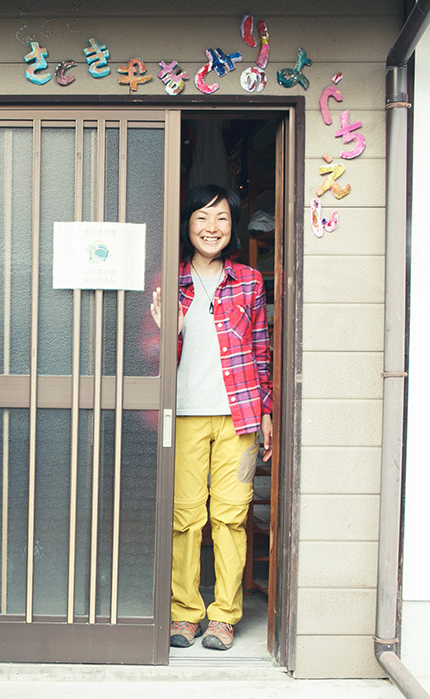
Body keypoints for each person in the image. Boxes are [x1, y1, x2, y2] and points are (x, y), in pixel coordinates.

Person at [150, 184, 272, 651]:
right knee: (184, 517)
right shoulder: (168, 281)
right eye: (202, 217)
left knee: (231, 517)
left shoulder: (249, 280)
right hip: (183, 415)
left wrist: (266, 412)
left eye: (221, 217)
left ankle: (223, 616)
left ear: (232, 225)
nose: (211, 227)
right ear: (187, 224)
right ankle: (185, 612)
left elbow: (261, 350)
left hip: (239, 418)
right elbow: (146, 356)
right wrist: (171, 334)